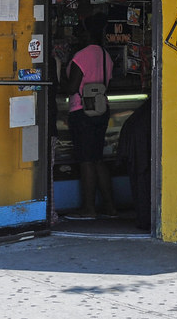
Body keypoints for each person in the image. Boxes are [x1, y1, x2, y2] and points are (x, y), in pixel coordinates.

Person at [65, 13, 117, 219]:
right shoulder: (106, 56)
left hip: (82, 111)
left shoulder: (81, 56)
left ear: (87, 33)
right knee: (97, 159)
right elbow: (107, 85)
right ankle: (110, 206)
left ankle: (88, 208)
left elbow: (71, 88)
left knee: (86, 160)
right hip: (101, 110)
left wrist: (60, 74)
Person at [117, 96, 151, 230]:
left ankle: (144, 218)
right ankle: (146, 219)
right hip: (142, 144)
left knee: (141, 178)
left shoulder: (142, 113)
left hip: (137, 145)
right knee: (144, 177)